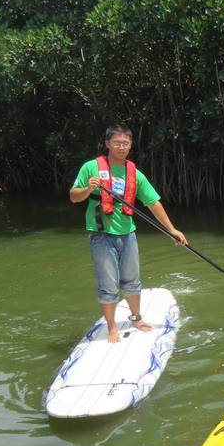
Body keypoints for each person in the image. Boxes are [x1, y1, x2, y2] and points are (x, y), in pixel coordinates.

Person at [69, 125, 187, 344]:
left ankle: (136, 319)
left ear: (131, 145)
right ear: (107, 144)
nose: (121, 147)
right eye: (117, 143)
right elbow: (74, 196)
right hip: (101, 234)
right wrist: (87, 189)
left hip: (128, 234)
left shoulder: (134, 173)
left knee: (132, 280)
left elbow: (153, 203)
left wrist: (172, 230)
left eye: (126, 143)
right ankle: (112, 327)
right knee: (108, 283)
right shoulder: (90, 168)